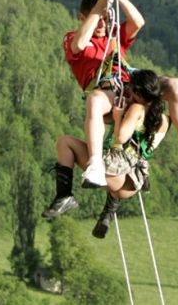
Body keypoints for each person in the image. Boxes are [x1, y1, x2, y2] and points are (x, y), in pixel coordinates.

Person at [61, 0, 178, 188]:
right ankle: (95, 164)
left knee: (174, 85)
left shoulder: (114, 37)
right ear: (83, 17)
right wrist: (98, 9)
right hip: (106, 90)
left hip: (129, 84)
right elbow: (79, 44)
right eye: (97, 20)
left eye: (106, 19)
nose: (102, 25)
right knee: (95, 100)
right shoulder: (72, 38)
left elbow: (138, 22)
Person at [42, 70, 169, 238]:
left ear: (137, 92)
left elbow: (121, 136)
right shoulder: (163, 120)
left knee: (65, 143)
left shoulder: (137, 108)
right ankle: (108, 212)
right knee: (106, 158)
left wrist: (117, 117)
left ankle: (64, 195)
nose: (127, 90)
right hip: (132, 183)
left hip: (119, 171)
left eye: (130, 88)